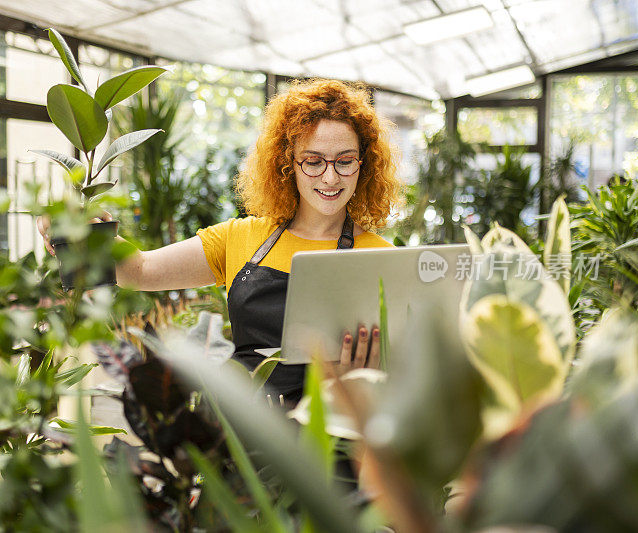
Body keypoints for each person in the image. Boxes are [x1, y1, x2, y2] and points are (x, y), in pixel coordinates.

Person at [38, 78, 401, 406]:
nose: (330, 176)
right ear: (287, 164)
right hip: (243, 432)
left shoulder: (382, 259)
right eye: (313, 161)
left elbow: (409, 373)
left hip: (335, 438)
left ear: (363, 165)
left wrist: (372, 371)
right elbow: (140, 269)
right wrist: (76, 227)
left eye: (345, 161)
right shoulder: (241, 237)